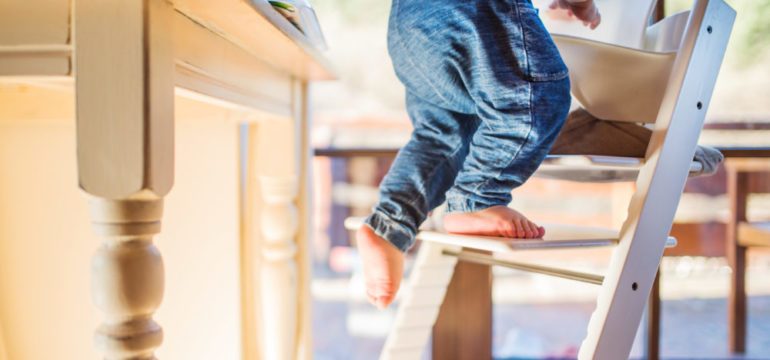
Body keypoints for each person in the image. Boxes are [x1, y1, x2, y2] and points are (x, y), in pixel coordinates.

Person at [357, 0, 601, 309]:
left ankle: (390, 223)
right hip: (472, 9)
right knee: (533, 99)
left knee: (443, 135)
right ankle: (478, 197)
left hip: (408, 26)